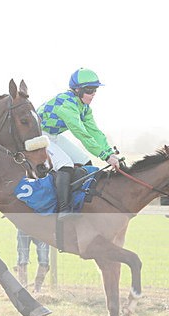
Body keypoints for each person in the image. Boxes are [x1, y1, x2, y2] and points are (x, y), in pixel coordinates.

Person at [37, 68, 120, 219]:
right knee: (65, 164)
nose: (93, 93)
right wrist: (104, 156)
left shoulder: (84, 108)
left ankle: (77, 202)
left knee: (85, 162)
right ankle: (63, 209)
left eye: (95, 90)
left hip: (53, 135)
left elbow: (95, 132)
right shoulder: (66, 104)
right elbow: (81, 133)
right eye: (89, 90)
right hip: (39, 135)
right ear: (77, 90)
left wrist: (109, 152)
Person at [16, 228, 50, 292]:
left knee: (44, 260)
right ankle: (23, 288)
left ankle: (37, 289)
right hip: (23, 226)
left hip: (42, 228)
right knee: (22, 259)